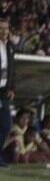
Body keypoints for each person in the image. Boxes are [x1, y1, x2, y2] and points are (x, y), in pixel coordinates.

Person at [0, 16, 15, 168]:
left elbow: (12, 69)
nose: (4, 31)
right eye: (1, 29)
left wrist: (12, 88)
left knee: (5, 125)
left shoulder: (10, 46)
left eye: (6, 28)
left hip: (3, 92)